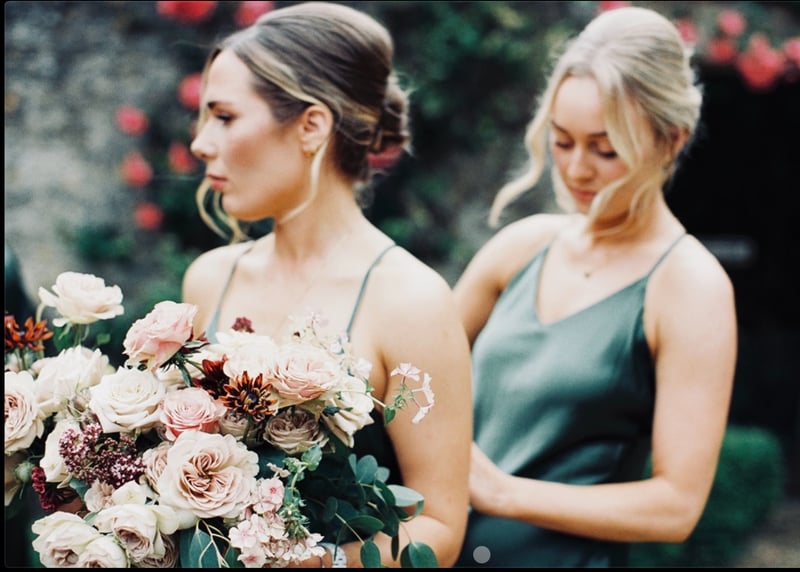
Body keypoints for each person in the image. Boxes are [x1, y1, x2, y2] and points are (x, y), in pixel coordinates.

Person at [182, 2, 472, 567]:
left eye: (225, 117)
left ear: (311, 126)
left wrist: (311, 563)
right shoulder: (208, 279)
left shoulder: (411, 302)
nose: (200, 143)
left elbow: (439, 526)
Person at [453, 6, 737, 568]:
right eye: (562, 141)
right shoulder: (521, 247)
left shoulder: (690, 286)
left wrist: (502, 493)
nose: (577, 169)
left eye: (605, 149)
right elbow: (409, 372)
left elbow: (676, 507)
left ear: (671, 141)